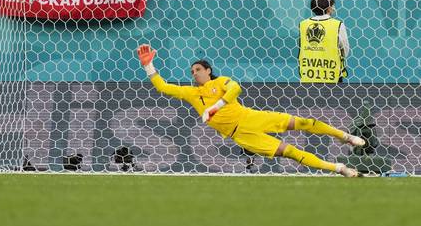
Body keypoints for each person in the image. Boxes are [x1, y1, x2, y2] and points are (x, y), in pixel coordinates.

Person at [136, 44, 365, 177]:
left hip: (251, 117)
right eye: (192, 71)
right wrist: (148, 64)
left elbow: (236, 88)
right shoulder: (191, 93)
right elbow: (163, 87)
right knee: (292, 153)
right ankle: (340, 168)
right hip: (242, 135)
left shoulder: (221, 81)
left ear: (208, 70)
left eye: (197, 69)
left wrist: (216, 107)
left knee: (304, 122)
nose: (193, 73)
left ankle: (345, 136)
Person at [298, 0, 349, 83]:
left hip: (308, 75)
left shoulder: (303, 24)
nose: (334, 8)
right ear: (329, 8)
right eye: (333, 5)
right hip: (332, 75)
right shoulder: (337, 25)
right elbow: (345, 50)